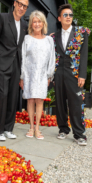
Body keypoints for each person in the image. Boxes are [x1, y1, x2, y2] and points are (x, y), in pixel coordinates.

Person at [0, 0, 29, 141]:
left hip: (16, 66)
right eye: (20, 4)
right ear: (14, 3)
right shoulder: (2, 18)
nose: (22, 7)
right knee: (2, 97)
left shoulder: (25, 26)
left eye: (25, 6)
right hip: (1, 65)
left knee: (13, 98)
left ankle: (8, 128)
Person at [51, 4, 90, 146]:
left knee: (76, 103)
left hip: (74, 74)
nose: (69, 17)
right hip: (58, 72)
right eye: (65, 15)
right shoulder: (54, 36)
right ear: (59, 18)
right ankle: (63, 129)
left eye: (71, 15)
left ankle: (79, 134)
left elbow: (84, 55)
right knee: (60, 103)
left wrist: (82, 75)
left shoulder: (81, 33)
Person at [20, 11, 55, 139]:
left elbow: (52, 59)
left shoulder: (49, 40)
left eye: (39, 21)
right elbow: (23, 58)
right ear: (31, 24)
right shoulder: (27, 39)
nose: (37, 24)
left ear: (43, 23)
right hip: (29, 74)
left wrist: (49, 76)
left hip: (42, 74)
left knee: (40, 100)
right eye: (34, 21)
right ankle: (30, 127)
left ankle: (37, 128)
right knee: (30, 99)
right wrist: (22, 77)